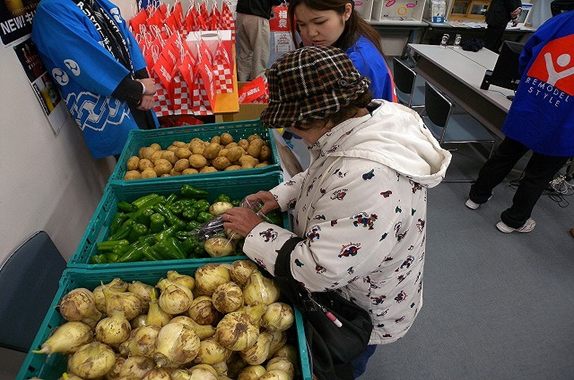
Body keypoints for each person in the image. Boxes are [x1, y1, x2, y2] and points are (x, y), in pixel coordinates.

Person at [222, 45, 451, 377]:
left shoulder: (367, 177)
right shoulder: (370, 120)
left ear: (323, 116)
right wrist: (283, 195)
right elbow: (328, 173)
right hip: (364, 273)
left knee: (343, 360)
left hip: (358, 307)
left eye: (294, 124)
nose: (293, 132)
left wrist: (256, 230)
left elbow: (320, 268)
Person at [465, 8, 574, 233]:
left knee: (505, 155)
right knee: (539, 174)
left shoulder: (564, 20)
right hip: (565, 119)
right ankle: (512, 221)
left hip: (532, 104)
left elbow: (526, 53)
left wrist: (530, 86)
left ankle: (476, 197)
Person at [32, 0, 158, 159]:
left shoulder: (96, 1)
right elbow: (86, 63)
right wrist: (140, 90)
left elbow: (126, 38)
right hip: (111, 103)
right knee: (135, 165)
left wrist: (144, 83)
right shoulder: (51, 9)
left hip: (136, 95)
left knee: (155, 154)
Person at [287, 0, 396, 102]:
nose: (311, 33)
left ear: (347, 11)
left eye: (319, 22)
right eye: (302, 24)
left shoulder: (356, 63)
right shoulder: (352, 35)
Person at [235, 0, 282, 81]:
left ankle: (242, 81)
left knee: (245, 52)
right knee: (260, 52)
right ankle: (257, 82)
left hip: (241, 14)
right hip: (257, 15)